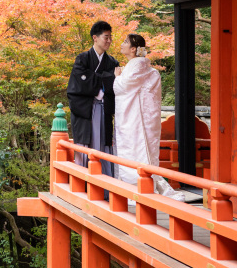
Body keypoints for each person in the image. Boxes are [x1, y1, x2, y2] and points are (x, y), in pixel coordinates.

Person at [113, 34, 184, 200]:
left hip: (134, 120)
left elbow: (122, 87)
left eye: (125, 42)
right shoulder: (144, 68)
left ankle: (136, 187)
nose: (121, 45)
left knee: (134, 151)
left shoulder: (136, 66)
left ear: (133, 49)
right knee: (140, 152)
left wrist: (117, 77)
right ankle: (141, 184)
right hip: (141, 117)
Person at [67, 21, 119, 177]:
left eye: (111, 37)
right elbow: (80, 83)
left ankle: (104, 183)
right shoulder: (82, 59)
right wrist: (106, 79)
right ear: (95, 38)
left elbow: (116, 84)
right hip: (86, 109)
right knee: (86, 145)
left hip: (104, 107)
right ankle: (83, 181)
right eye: (106, 37)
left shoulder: (112, 62)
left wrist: (97, 79)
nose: (109, 41)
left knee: (103, 144)